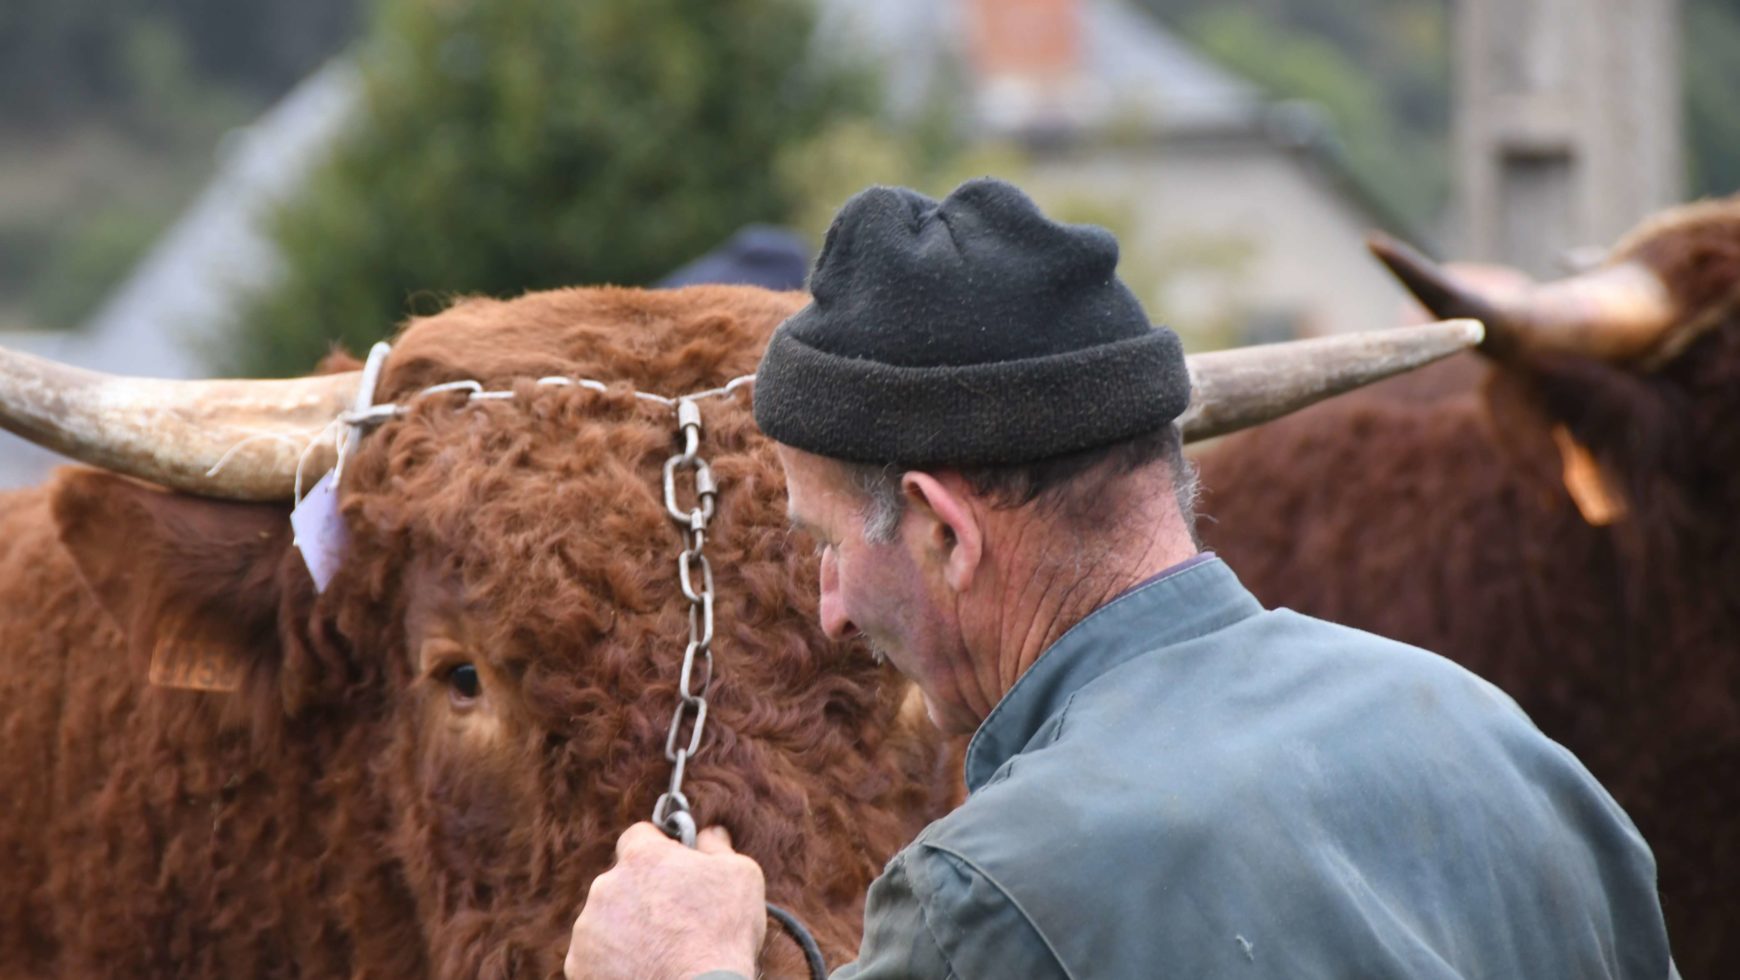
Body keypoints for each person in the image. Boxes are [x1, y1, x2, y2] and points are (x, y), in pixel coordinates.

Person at [565, 178, 1674, 979]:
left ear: (947, 532)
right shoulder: (1505, 747)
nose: (831, 605)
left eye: (828, 545)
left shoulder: (986, 897)